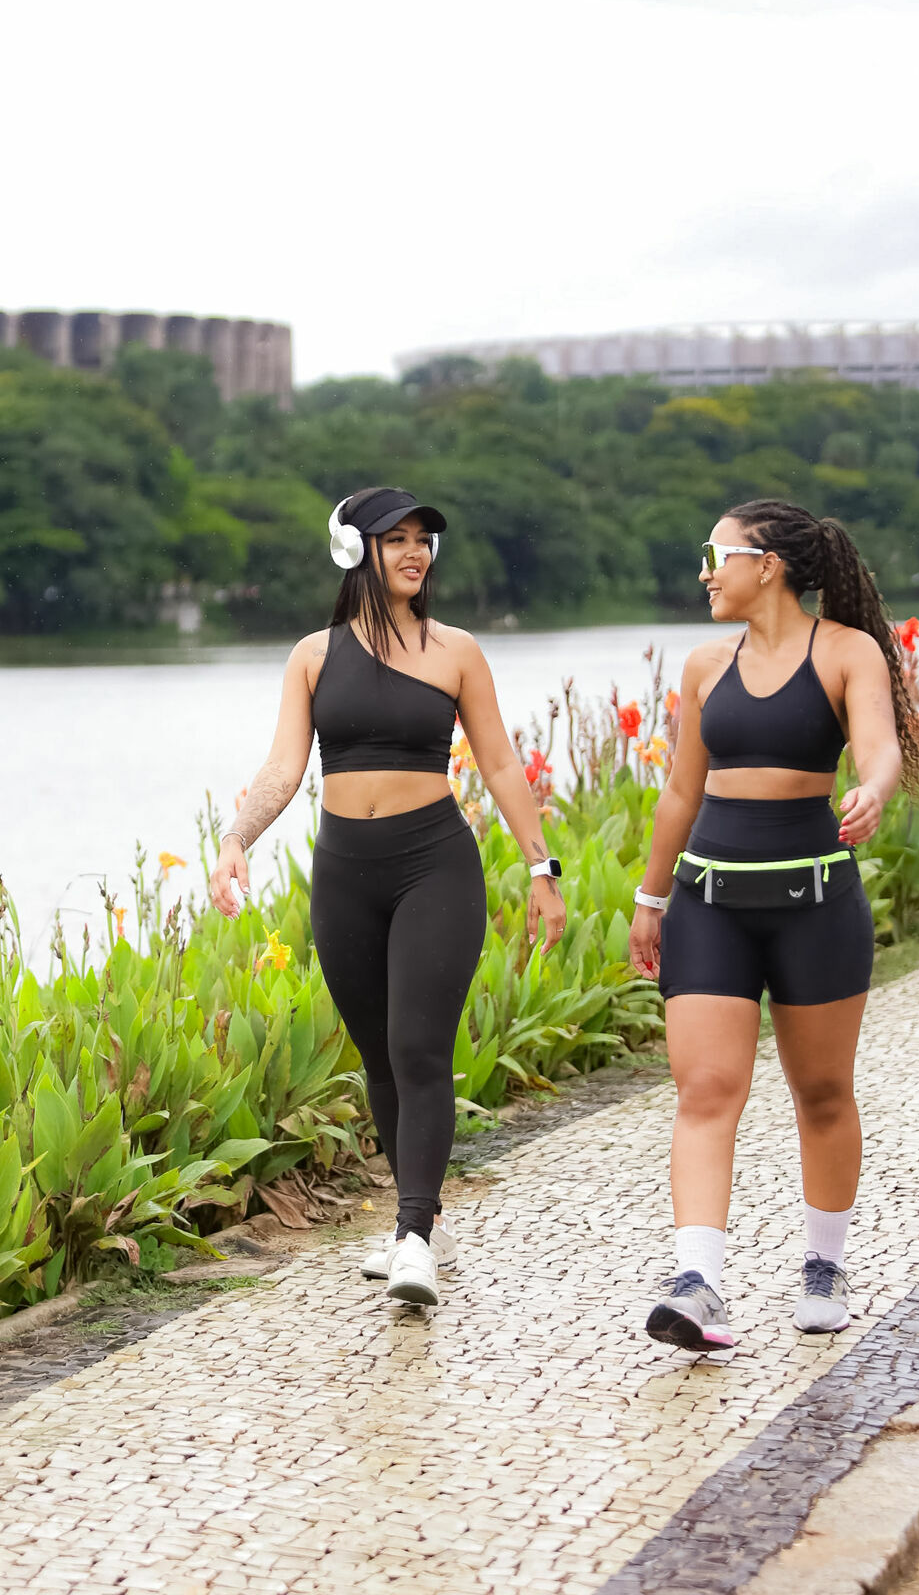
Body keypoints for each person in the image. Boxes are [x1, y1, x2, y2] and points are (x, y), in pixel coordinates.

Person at [210, 487, 566, 1306]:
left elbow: (503, 765)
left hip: (433, 863)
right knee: (377, 1055)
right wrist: (235, 839)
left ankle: (411, 1236)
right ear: (355, 550)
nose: (414, 552)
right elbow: (283, 768)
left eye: (423, 541)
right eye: (395, 539)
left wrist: (541, 869)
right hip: (345, 870)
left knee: (418, 1048)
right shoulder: (312, 655)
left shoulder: (456, 651)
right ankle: (424, 1216)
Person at [629, 498, 919, 1351]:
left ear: (766, 564)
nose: (704, 571)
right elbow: (681, 794)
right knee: (704, 1091)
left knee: (824, 1093)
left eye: (714, 554)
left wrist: (873, 788)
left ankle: (824, 1265)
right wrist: (650, 901)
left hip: (814, 904)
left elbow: (877, 743)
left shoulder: (846, 651)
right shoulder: (702, 665)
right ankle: (697, 1283)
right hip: (710, 905)